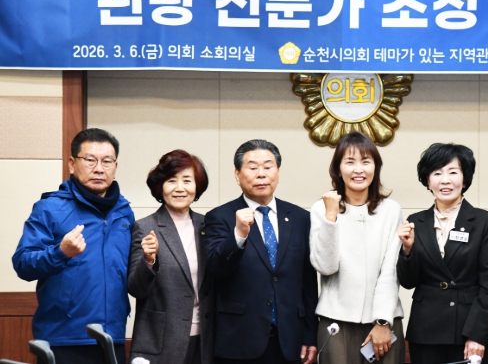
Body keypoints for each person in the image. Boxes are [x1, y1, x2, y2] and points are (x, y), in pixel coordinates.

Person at [12, 128, 134, 364]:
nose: (99, 169)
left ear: (115, 166)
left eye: (107, 161)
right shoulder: (50, 208)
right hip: (63, 339)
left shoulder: (124, 212)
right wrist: (60, 253)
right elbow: (23, 264)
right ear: (71, 163)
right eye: (90, 160)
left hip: (112, 336)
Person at [203, 140, 318, 364]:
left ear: (278, 172)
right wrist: (238, 235)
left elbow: (308, 283)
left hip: (290, 340)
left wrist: (310, 334)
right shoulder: (220, 217)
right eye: (253, 167)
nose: (261, 174)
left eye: (268, 166)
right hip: (240, 340)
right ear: (237, 175)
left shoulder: (300, 218)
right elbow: (216, 269)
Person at [397, 143, 488, 364]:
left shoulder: (483, 221)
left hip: (468, 330)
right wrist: (407, 250)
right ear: (428, 181)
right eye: (437, 173)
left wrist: (477, 334)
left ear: (465, 180)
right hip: (425, 331)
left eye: (453, 172)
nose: (445, 180)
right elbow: (408, 282)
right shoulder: (416, 221)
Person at [311, 132, 405, 364]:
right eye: (350, 162)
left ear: (375, 167)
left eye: (365, 161)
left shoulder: (391, 210)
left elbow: (390, 270)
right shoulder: (321, 209)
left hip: (383, 322)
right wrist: (331, 218)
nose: (358, 170)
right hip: (335, 322)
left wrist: (382, 320)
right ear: (338, 169)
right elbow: (326, 266)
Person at [127, 150, 213, 364]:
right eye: (171, 181)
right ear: (160, 186)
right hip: (161, 342)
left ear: (197, 186)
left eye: (187, 180)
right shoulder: (145, 227)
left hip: (206, 342)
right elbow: (136, 289)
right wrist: (148, 260)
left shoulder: (209, 226)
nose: (180, 188)